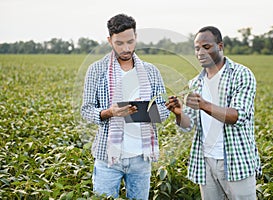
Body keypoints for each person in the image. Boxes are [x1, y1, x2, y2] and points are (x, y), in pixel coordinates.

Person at [166, 26, 261, 199]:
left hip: (236, 159)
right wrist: (179, 113)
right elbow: (188, 126)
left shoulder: (240, 75)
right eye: (197, 48)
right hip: (206, 161)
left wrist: (204, 104)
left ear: (220, 46)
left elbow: (237, 116)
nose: (200, 52)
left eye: (206, 47)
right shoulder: (195, 83)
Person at [81, 13, 169, 199]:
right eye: (119, 43)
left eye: (130, 41)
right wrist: (109, 112)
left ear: (136, 37)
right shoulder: (97, 70)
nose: (126, 48)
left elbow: (163, 110)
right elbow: (86, 110)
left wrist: (143, 113)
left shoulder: (151, 72)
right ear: (109, 40)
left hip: (141, 158)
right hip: (108, 159)